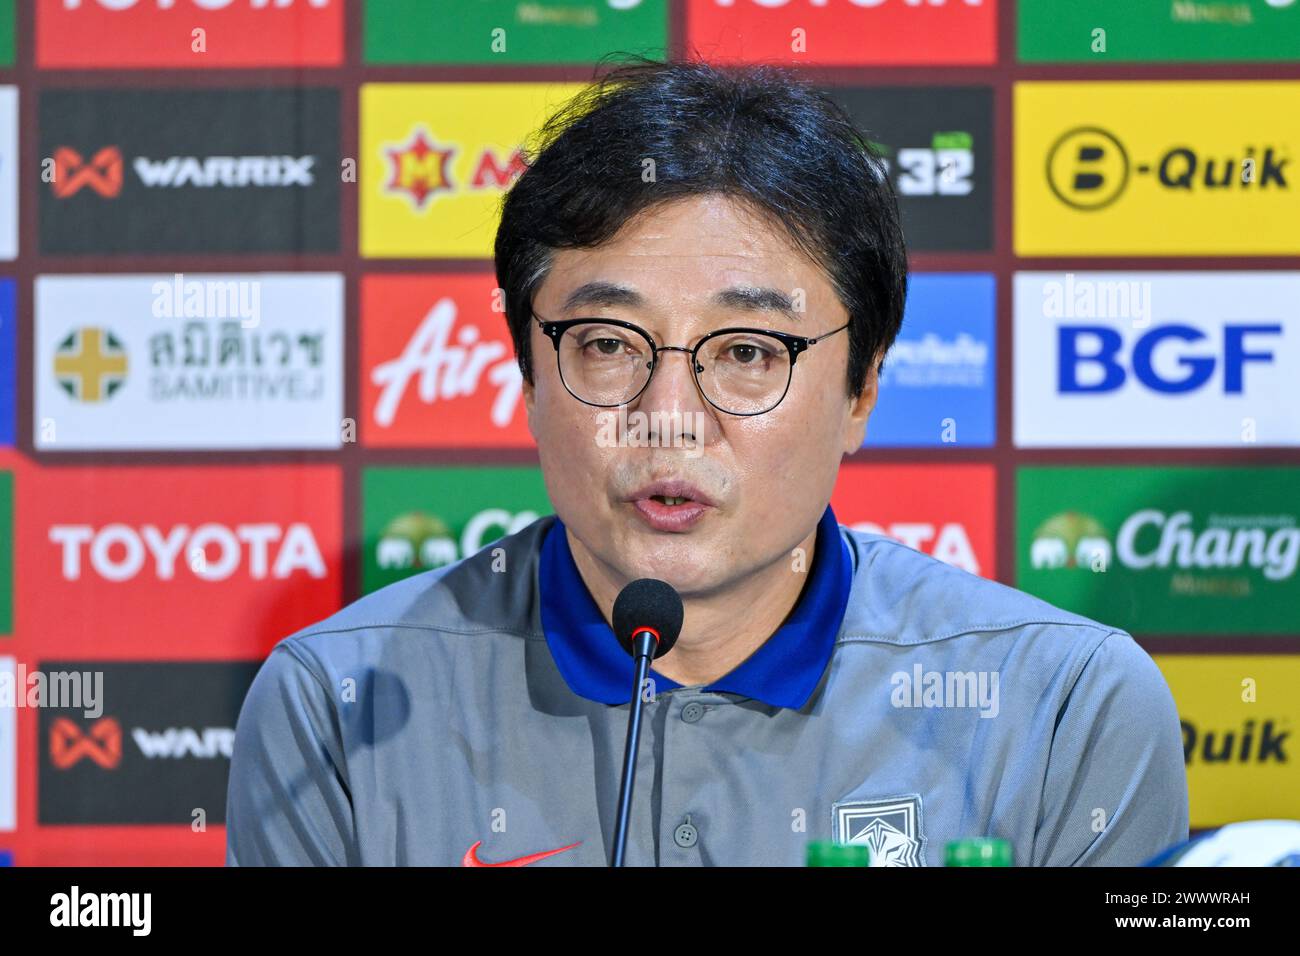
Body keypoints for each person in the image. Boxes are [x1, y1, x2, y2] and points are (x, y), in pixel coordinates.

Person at [226, 58, 1188, 866]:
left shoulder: (1066, 709)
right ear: (528, 375)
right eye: (607, 343)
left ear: (862, 393)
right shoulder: (336, 706)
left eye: (746, 354)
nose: (669, 420)